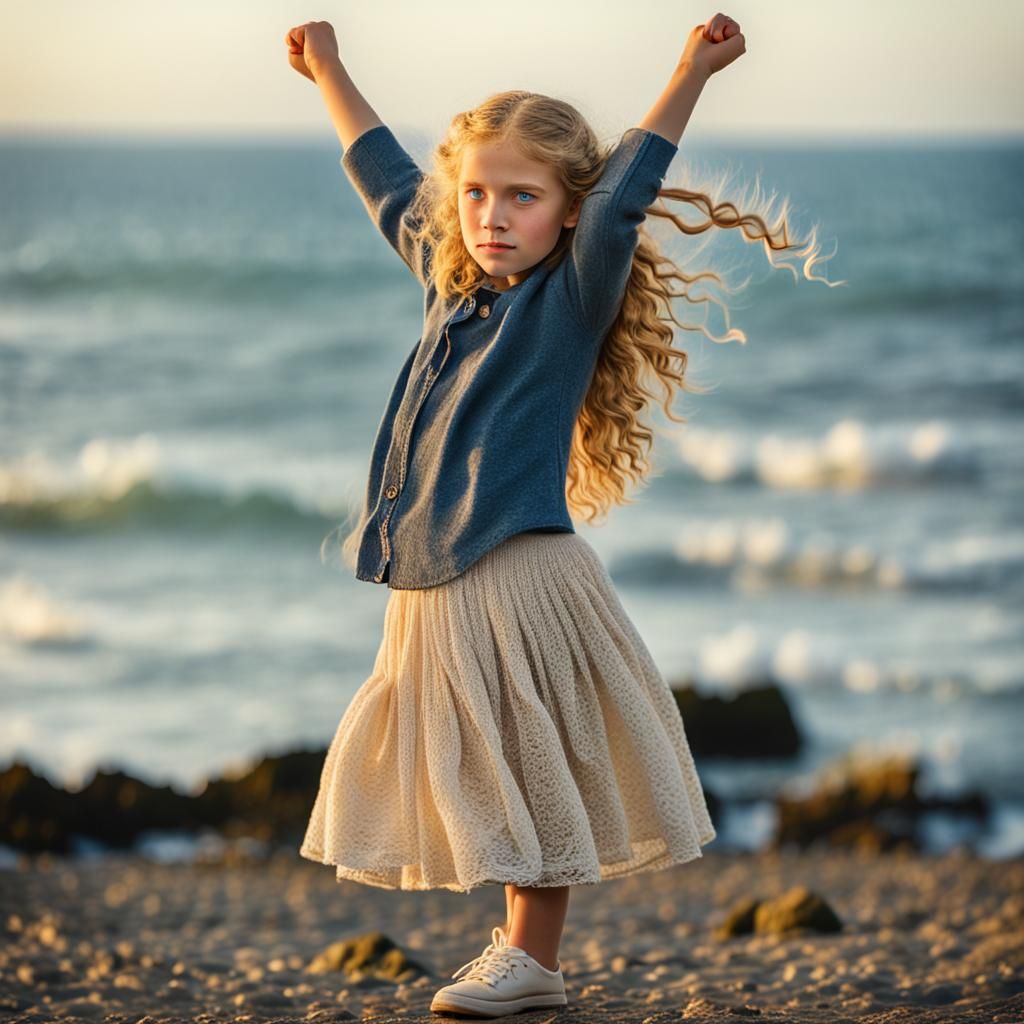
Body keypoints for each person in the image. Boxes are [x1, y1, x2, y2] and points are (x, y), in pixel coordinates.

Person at [287, 12, 831, 1018]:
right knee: (488, 765)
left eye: (522, 197)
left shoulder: (572, 293)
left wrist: (689, 71)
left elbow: (626, 193)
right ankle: (520, 955)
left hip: (517, 569)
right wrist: (329, 67)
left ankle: (529, 958)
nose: (491, 214)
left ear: (567, 212)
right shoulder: (449, 279)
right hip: (435, 582)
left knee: (534, 765)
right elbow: (381, 175)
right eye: (478, 193)